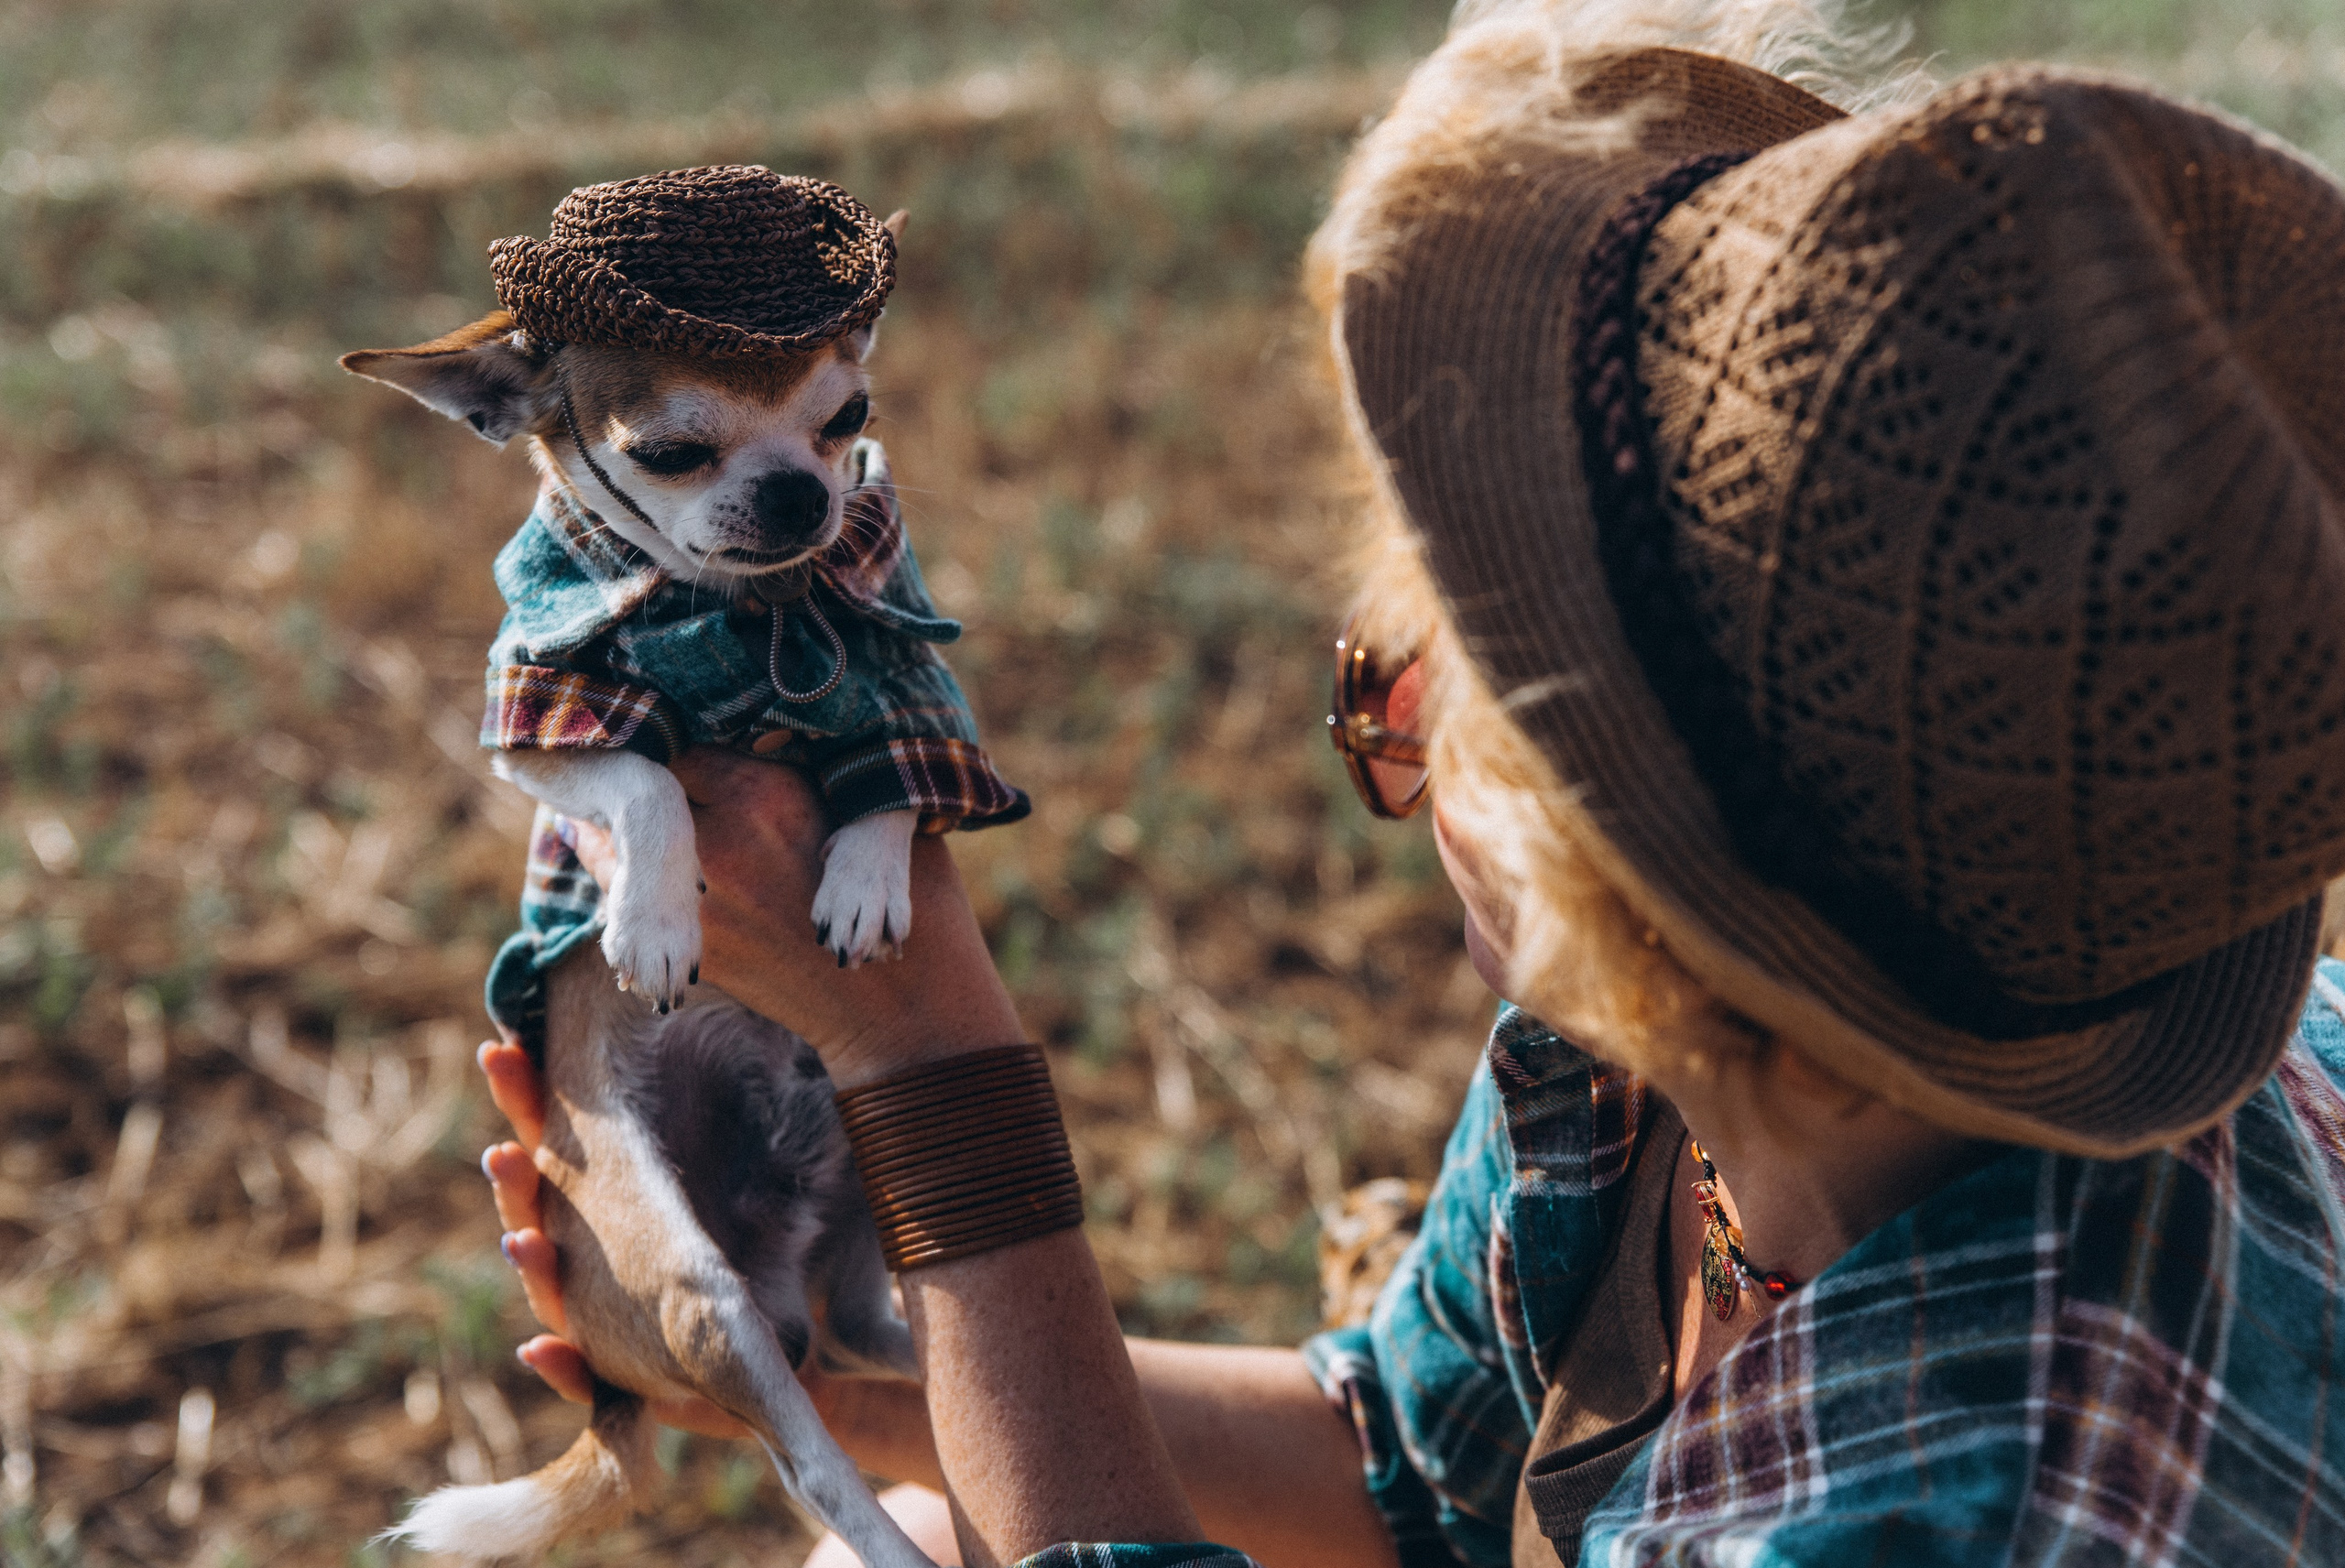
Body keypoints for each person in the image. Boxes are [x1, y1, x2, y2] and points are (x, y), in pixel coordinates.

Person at [474, 2, 2345, 1563]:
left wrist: (929, 1073)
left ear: (1596, 880)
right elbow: (1397, 1459)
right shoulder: (1736, 1048)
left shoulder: (1962, 1506)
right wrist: (843, 1384)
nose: (1370, 697)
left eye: (1409, 689)